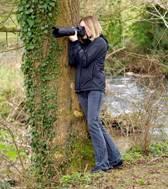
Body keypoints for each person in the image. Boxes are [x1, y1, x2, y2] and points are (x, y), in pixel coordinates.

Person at [68, 15, 123, 173]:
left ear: (92, 26)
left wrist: (76, 42)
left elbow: (84, 60)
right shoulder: (84, 43)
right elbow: (73, 61)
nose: (82, 30)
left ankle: (102, 163)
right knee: (96, 124)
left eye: (84, 27)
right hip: (82, 89)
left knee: (93, 123)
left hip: (94, 88)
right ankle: (115, 158)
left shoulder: (100, 43)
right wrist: (75, 42)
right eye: (81, 27)